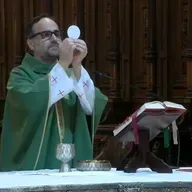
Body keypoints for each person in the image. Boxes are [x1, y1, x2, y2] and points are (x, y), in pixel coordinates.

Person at [0, 14, 108, 171]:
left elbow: (91, 107)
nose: (54, 38)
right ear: (31, 43)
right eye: (45, 34)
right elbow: (29, 103)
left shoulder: (72, 74)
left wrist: (77, 65)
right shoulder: (20, 75)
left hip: (72, 164)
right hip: (36, 166)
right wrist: (64, 63)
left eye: (57, 33)